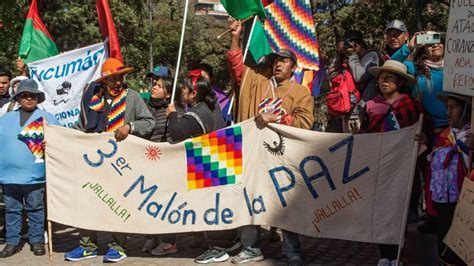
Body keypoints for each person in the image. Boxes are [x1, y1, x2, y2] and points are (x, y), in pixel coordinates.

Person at [227, 20, 314, 266]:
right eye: (276, 60)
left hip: (284, 157)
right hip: (254, 155)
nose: (277, 64)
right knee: (250, 199)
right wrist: (236, 37)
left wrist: (277, 117)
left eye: (284, 61)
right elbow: (236, 67)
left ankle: (292, 251)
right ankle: (251, 248)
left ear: (294, 68)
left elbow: (305, 122)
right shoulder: (258, 83)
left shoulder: (301, 93)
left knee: (285, 204)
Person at [64, 58, 155, 263]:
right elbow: (81, 127)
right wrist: (60, 139)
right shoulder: (93, 100)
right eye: (113, 79)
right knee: (87, 202)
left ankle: (117, 246)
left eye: (120, 77)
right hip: (93, 162)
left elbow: (149, 122)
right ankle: (87, 246)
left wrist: (130, 127)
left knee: (117, 203)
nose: (117, 82)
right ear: (104, 81)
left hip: (120, 163)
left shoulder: (131, 97)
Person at [358, 60, 432, 266]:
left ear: (399, 82)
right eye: (382, 78)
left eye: (389, 78)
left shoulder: (412, 105)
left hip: (404, 167)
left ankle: (397, 254)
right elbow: (365, 132)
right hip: (379, 166)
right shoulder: (371, 106)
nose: (384, 82)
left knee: (399, 212)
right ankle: (384, 255)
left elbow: (426, 129)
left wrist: (424, 139)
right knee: (381, 212)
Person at [165, 71, 228, 264]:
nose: (182, 91)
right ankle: (222, 243)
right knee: (217, 205)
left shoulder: (199, 112)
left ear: (193, 94)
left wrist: (173, 114)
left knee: (211, 206)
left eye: (184, 88)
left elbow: (176, 133)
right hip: (219, 159)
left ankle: (217, 248)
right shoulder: (212, 106)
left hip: (209, 163)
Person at [391, 31, 446, 233]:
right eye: (430, 44)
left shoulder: (457, 68)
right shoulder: (415, 69)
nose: (434, 46)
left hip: (454, 128)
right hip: (426, 129)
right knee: (428, 174)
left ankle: (447, 213)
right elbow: (391, 66)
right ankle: (431, 215)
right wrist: (408, 47)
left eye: (439, 42)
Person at [0, 79, 60, 258]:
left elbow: (60, 141)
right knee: (12, 210)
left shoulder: (47, 118)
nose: (28, 99)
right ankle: (12, 242)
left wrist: (51, 143)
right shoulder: (6, 118)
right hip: (8, 176)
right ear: (18, 98)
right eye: (24, 95)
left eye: (32, 96)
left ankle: (36, 241)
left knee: (35, 209)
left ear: (37, 98)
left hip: (35, 175)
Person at [416, 92, 473, 266]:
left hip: (464, 200)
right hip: (443, 201)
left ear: (465, 111)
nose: (448, 112)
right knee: (444, 243)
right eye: (447, 107)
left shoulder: (471, 137)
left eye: (453, 107)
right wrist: (426, 143)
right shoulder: (443, 136)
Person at [141, 65, 183, 256]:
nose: (153, 87)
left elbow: (178, 137)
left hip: (167, 166)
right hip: (147, 164)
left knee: (165, 203)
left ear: (168, 92)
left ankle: (168, 242)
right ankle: (153, 236)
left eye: (158, 84)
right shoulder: (145, 107)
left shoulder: (175, 110)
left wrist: (172, 116)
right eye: (152, 83)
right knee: (148, 201)